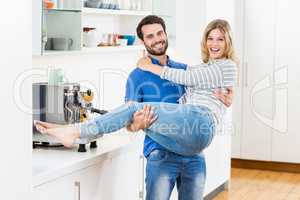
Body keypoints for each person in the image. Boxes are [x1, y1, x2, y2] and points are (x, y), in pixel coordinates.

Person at [35, 17, 237, 199]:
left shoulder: (183, 70)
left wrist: (227, 99)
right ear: (143, 41)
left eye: (160, 33)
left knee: (132, 108)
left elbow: (206, 91)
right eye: (150, 36)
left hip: (193, 153)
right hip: (161, 154)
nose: (157, 39)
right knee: (132, 110)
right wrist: (139, 123)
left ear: (166, 34)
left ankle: (76, 132)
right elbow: (129, 124)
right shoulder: (137, 77)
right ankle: (77, 131)